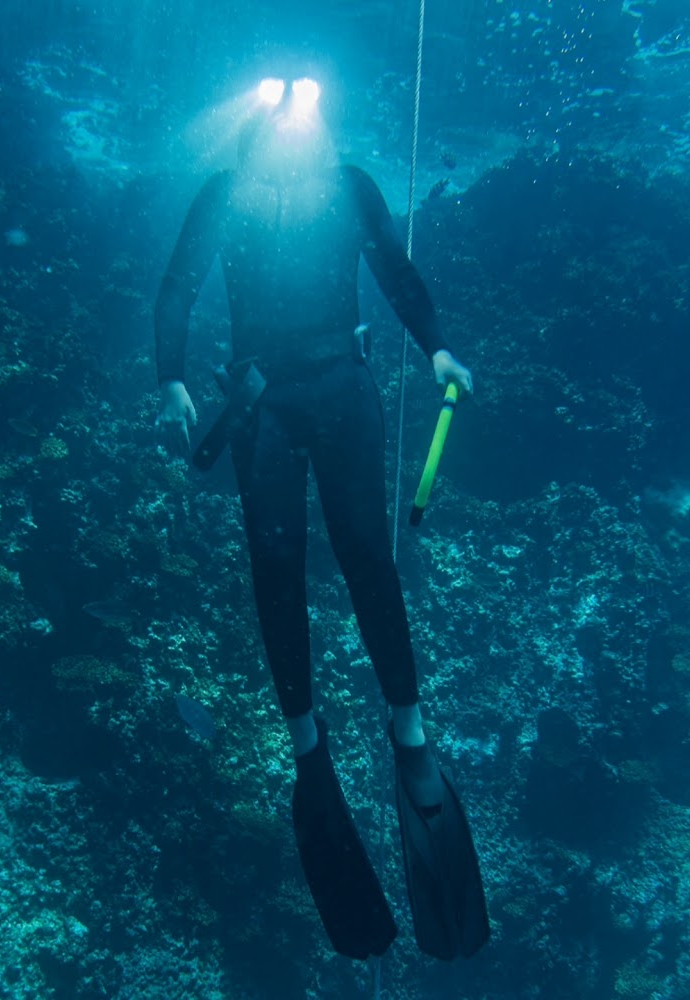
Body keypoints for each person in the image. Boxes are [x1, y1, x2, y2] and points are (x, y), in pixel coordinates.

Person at [154, 78, 489, 961]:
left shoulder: (351, 188)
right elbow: (178, 288)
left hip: (341, 389)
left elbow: (396, 274)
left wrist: (440, 347)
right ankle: (311, 751)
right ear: (254, 131)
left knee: (367, 560)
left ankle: (408, 736)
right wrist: (171, 379)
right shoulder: (222, 196)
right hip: (261, 403)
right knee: (278, 573)